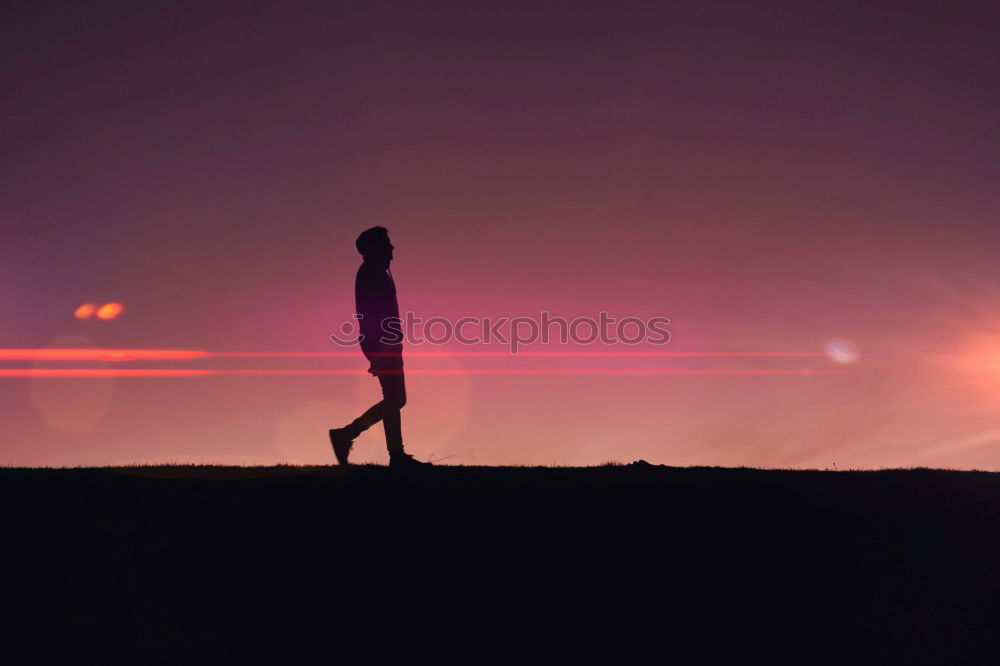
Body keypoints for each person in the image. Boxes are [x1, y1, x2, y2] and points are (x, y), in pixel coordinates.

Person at [329, 227, 431, 468]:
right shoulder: (372, 273)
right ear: (374, 248)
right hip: (384, 344)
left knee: (394, 398)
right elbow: (371, 314)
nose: (391, 248)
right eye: (386, 243)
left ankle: (395, 454)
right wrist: (381, 350)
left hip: (387, 343)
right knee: (396, 399)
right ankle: (347, 434)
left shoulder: (375, 272)